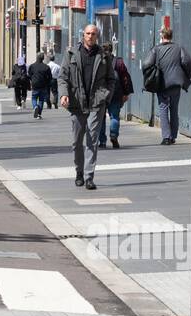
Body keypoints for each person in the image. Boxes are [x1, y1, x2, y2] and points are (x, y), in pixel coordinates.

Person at [63, 24, 115, 191]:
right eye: (88, 33)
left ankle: (89, 176)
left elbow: (111, 79)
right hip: (77, 103)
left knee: (92, 139)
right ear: (83, 35)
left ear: (97, 35)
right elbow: (62, 77)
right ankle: (79, 172)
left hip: (96, 103)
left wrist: (105, 96)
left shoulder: (104, 56)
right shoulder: (71, 54)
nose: (90, 36)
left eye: (93, 34)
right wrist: (64, 94)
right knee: (76, 142)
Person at [143, 27, 191, 145]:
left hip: (162, 84)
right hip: (176, 83)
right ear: (171, 36)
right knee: (174, 109)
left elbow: (146, 63)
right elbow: (188, 61)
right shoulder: (179, 48)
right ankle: (173, 136)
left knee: (163, 109)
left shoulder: (156, 49)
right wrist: (185, 74)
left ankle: (166, 137)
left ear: (162, 37)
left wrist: (150, 74)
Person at [97, 42, 134, 149]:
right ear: (112, 50)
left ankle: (102, 141)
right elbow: (125, 78)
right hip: (116, 93)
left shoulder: (98, 61)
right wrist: (126, 93)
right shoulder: (118, 62)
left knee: (100, 118)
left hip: (101, 94)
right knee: (114, 117)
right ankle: (113, 136)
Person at [27, 52, 52, 119]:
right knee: (41, 99)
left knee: (34, 97)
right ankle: (39, 114)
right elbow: (50, 77)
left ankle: (35, 107)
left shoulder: (32, 66)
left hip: (35, 84)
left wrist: (32, 81)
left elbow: (29, 75)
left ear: (36, 57)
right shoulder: (46, 67)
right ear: (43, 58)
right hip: (43, 85)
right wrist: (47, 83)